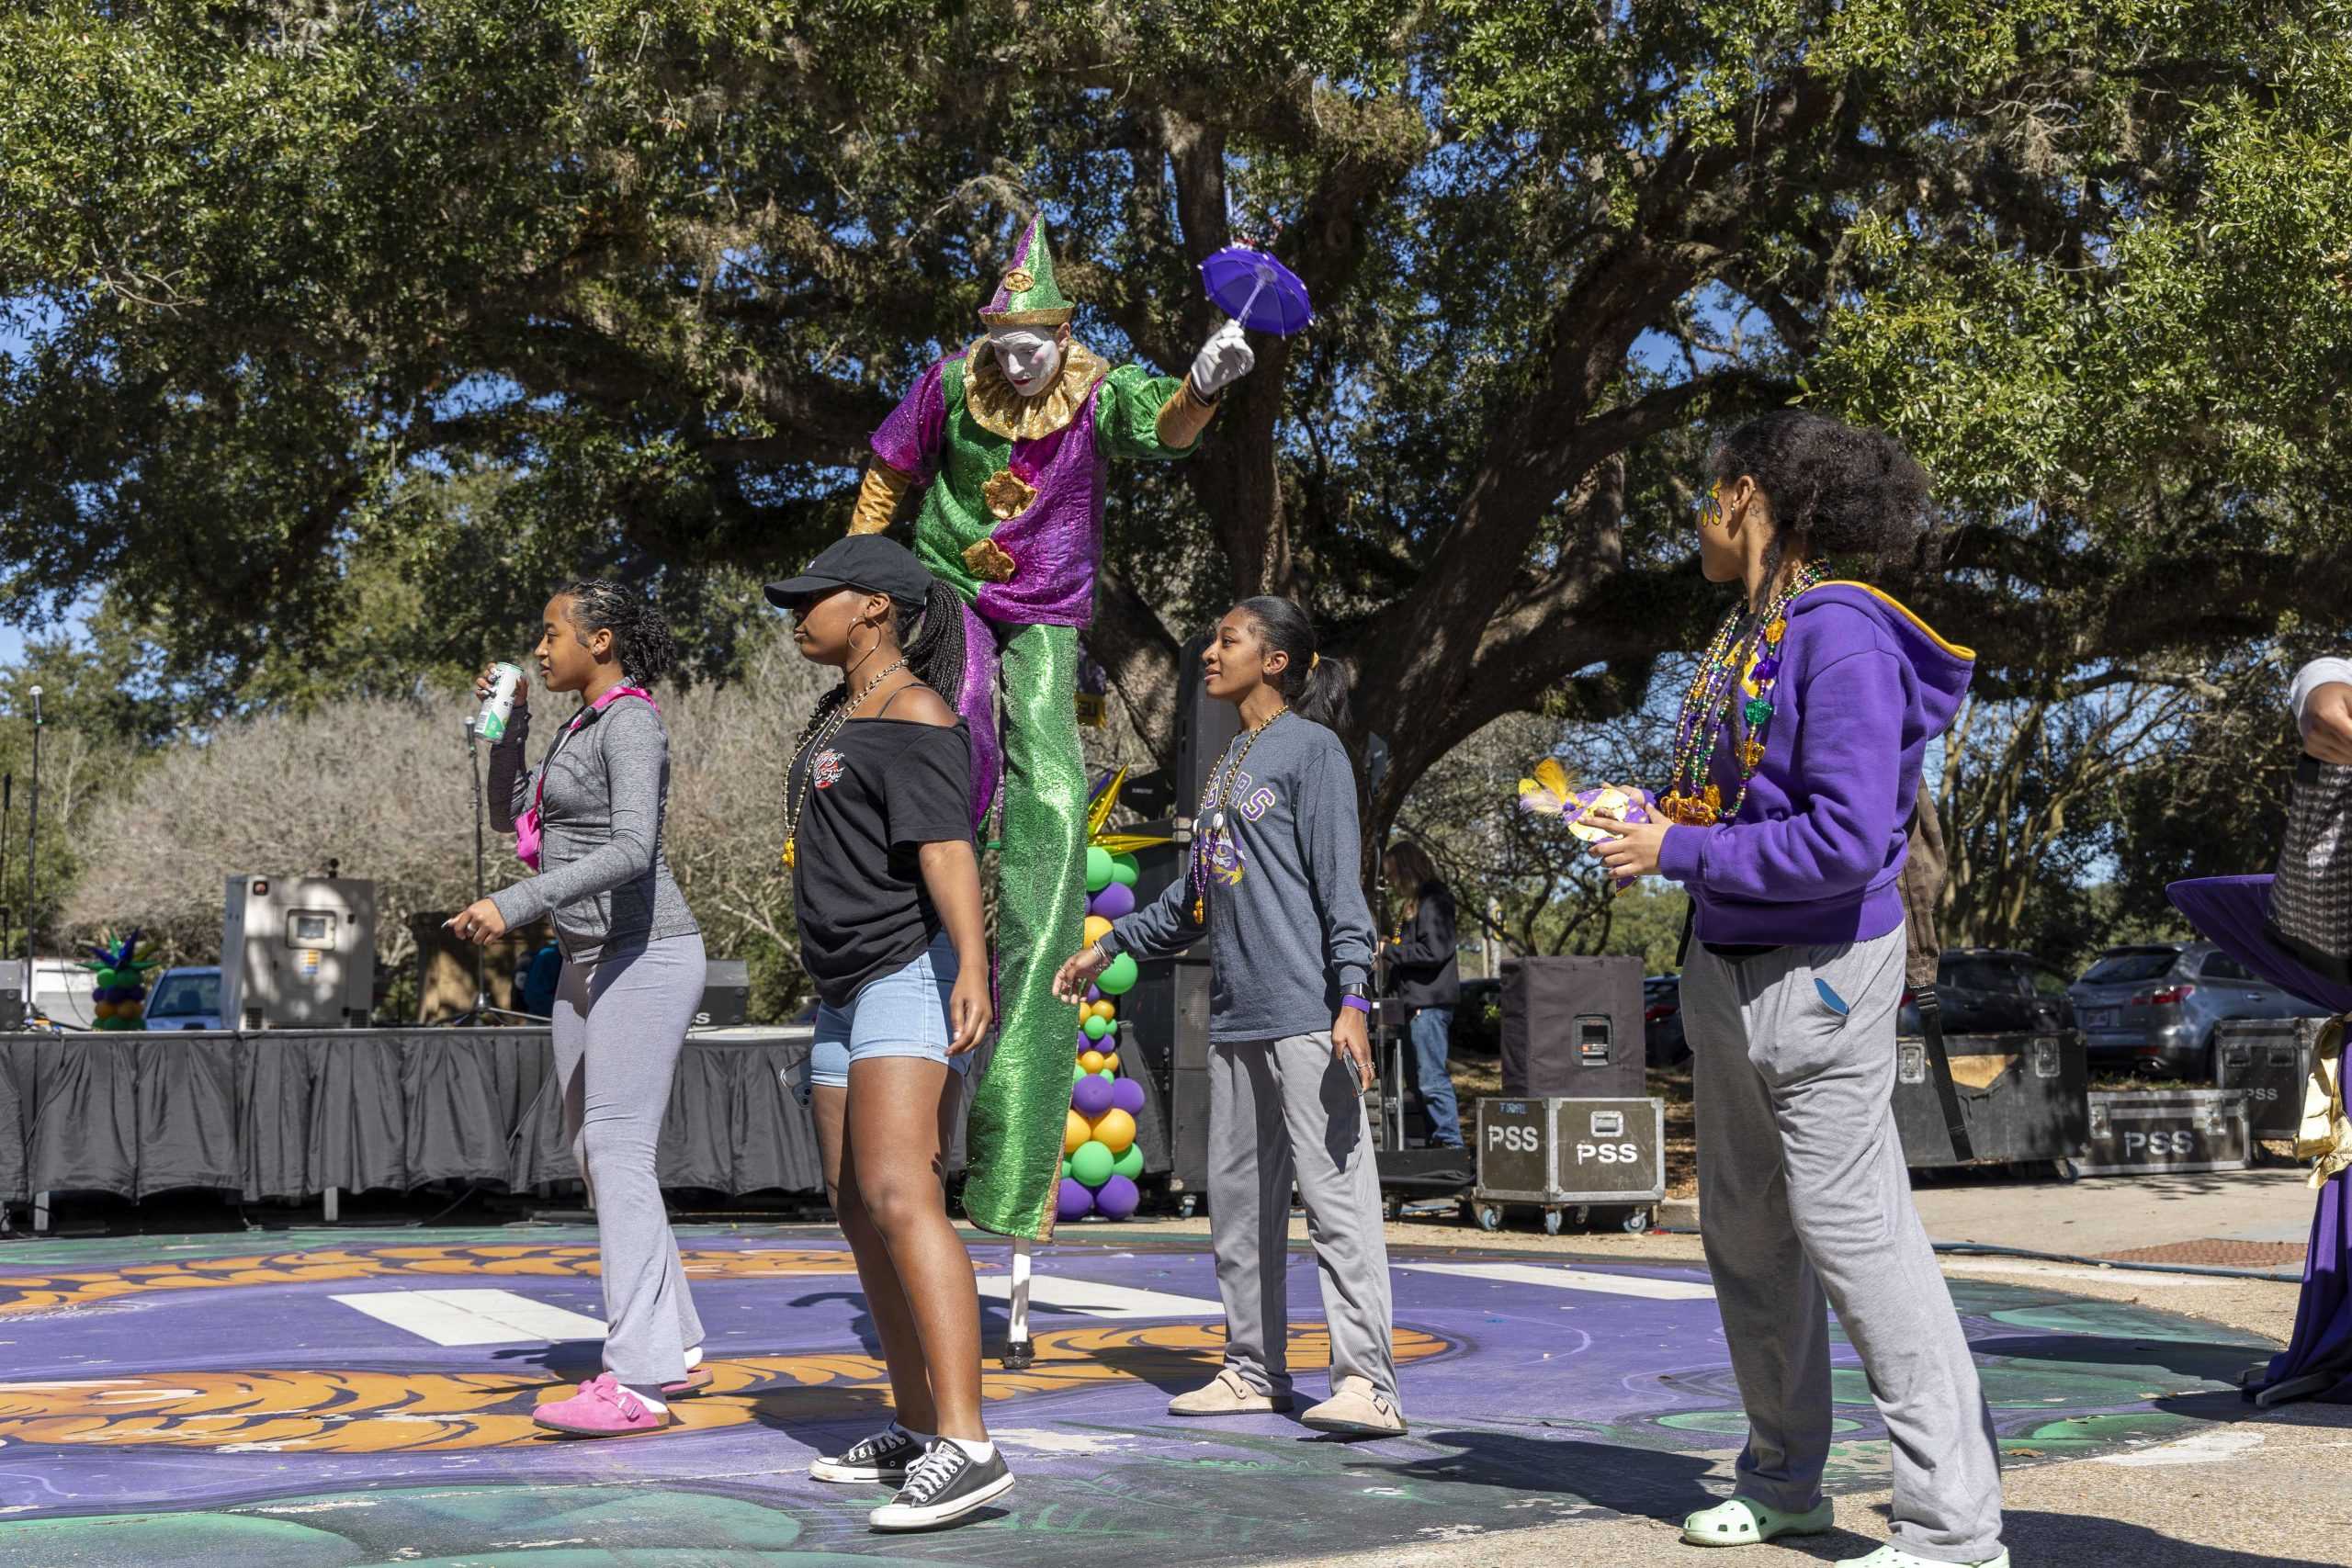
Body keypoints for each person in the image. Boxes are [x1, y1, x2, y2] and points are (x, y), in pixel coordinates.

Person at [1588, 410, 2007, 1568]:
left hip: (1819, 976)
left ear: (1746, 494)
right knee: (1749, 1237)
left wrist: (1675, 856)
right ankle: (1783, 1483)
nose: (1692, 515)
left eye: (1700, 493)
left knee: (1856, 1239)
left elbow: (1838, 841)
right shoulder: (1748, 631)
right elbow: (1754, 809)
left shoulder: (1846, 635)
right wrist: (1657, 819)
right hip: (1725, 967)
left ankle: (1955, 1530)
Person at [846, 215, 1256, 1242]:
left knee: (1058, 799)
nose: (1020, 363)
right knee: (958, 732)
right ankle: (947, 862)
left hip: (1043, 618)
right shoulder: (949, 381)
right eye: (1005, 344)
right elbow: (890, 475)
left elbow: (1163, 427)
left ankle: (1011, 1141)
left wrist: (1203, 385)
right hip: (950, 597)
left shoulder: (1099, 385)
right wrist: (855, 573)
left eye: (1036, 344)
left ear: (1065, 334)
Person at [1053, 596, 1405, 1438]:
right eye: (1215, 638)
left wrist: (1353, 996)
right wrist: (1109, 946)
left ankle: (1369, 1383)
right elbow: (1192, 899)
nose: (1211, 650)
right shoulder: (1226, 764)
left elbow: (1341, 886)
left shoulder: (1313, 751)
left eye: (1230, 639)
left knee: (1336, 1206)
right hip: (1238, 1018)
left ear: (1276, 660)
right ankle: (1254, 1370)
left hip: (1308, 1017)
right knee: (1239, 1210)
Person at [770, 536, 1010, 1531]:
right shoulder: (846, 712)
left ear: (872, 607)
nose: (796, 611)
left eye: (812, 597)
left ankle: (969, 1445)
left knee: (901, 1194)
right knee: (852, 1204)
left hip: (905, 975)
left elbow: (947, 850)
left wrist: (970, 970)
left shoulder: (914, 712)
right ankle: (916, 1424)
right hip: (841, 987)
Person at [449, 581, 708, 1438]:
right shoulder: (578, 725)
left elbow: (636, 849)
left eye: (552, 631)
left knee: (620, 1145)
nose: (540, 646)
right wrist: (505, 729)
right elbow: (504, 814)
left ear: (601, 640)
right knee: (595, 1148)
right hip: (588, 960)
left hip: (648, 951)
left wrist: (516, 905)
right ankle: (678, 1337)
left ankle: (637, 1378)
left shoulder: (632, 722)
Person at [1381, 840, 1464, 1150]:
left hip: (1428, 1005)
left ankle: (1450, 1144)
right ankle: (1435, 1143)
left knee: (1431, 1079)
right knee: (1417, 1083)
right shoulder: (1415, 903)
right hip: (1413, 1004)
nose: (1390, 884)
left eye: (1392, 876)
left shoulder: (1435, 899)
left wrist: (1389, 951)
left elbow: (1435, 950)